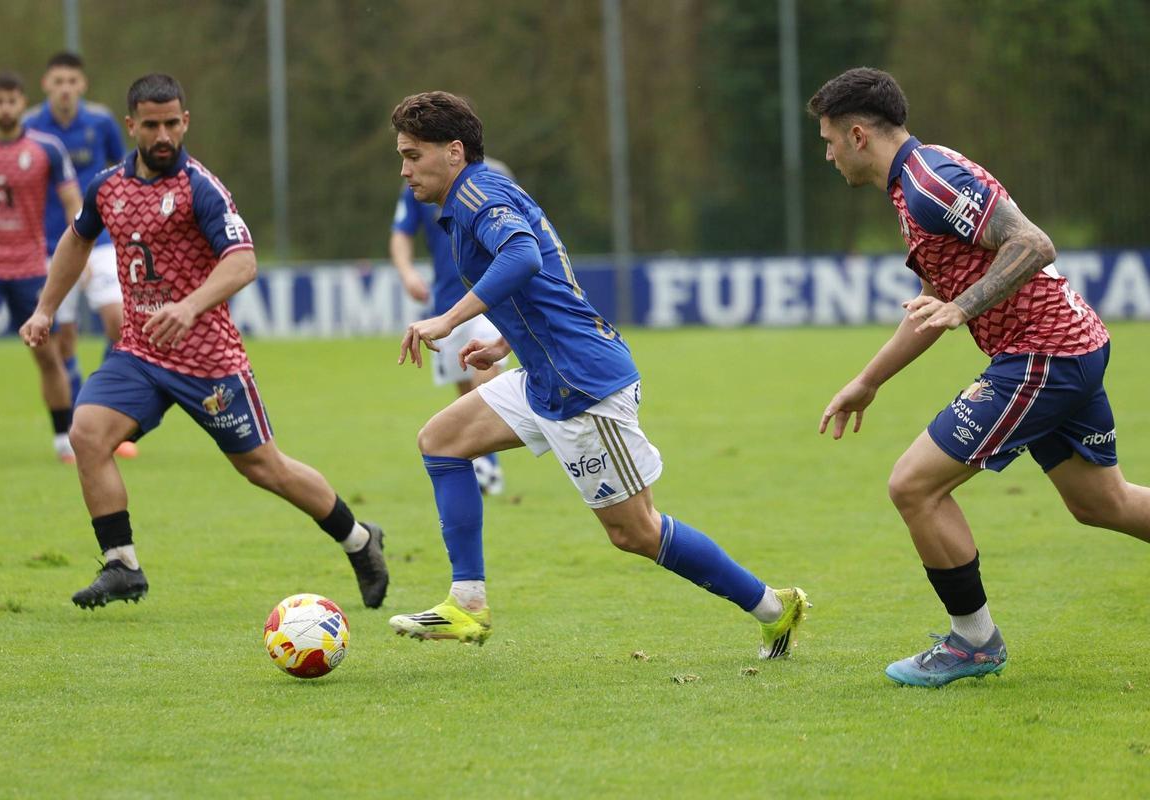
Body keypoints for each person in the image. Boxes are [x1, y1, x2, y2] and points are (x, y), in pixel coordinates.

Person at [387, 91, 809, 657]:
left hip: (584, 386)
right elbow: (549, 287)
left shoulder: (481, 198)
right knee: (441, 441)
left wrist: (451, 318)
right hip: (545, 375)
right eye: (402, 156)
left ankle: (775, 608)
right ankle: (467, 604)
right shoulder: (472, 198)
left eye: (414, 155)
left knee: (636, 532)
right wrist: (503, 342)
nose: (405, 170)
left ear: (454, 152)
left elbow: (523, 259)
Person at [810, 67, 1150, 687]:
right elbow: (935, 302)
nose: (828, 155)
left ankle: (973, 642)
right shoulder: (915, 183)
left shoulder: (929, 183)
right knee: (1105, 504)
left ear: (858, 135)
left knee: (914, 486)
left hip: (1043, 356)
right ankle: (973, 641)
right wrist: (869, 380)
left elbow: (1033, 243)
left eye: (830, 140)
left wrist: (964, 308)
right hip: (1065, 349)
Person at [19, 74, 388, 610]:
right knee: (87, 433)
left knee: (264, 468)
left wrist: (190, 305)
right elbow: (77, 240)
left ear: (186, 121)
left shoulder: (201, 188)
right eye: (152, 125)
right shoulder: (107, 188)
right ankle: (122, 564)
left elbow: (243, 261)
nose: (164, 134)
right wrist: (45, 307)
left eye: (173, 122)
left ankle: (359, 539)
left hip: (208, 359)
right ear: (132, 126)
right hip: (142, 353)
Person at [0, 71, 79, 465]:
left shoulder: (47, 149)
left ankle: (63, 442)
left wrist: (80, 247)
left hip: (30, 268)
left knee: (47, 356)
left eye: (12, 101)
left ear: (23, 103)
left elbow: (75, 203)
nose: (5, 108)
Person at [25, 52, 137, 459]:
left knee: (119, 322)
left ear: (82, 85)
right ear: (46, 84)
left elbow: (123, 174)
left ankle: (113, 418)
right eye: (58, 81)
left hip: (103, 239)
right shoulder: (31, 129)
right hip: (50, 246)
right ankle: (78, 425)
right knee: (62, 342)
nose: (65, 88)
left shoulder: (102, 123)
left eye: (72, 80)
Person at [389, 156, 514, 494]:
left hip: (490, 294)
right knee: (464, 388)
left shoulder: (495, 175)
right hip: (445, 301)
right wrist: (407, 272)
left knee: (484, 368)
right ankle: (485, 461)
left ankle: (487, 467)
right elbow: (400, 234)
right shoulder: (418, 182)